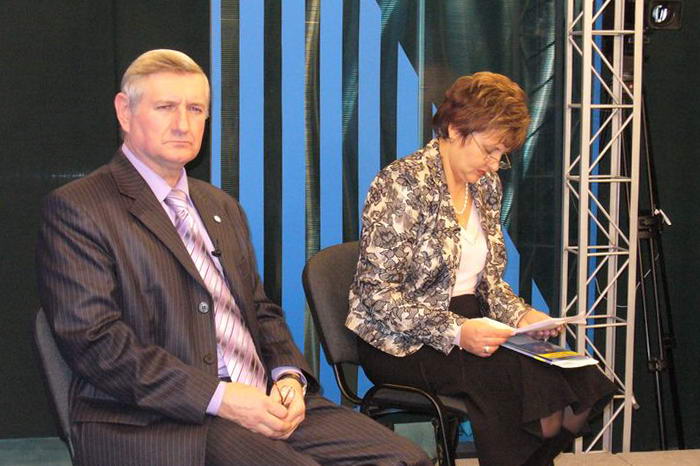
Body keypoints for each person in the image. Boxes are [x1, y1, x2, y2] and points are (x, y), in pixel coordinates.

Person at [36, 49, 431, 466]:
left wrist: (288, 376)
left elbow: (260, 310)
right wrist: (220, 397)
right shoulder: (79, 210)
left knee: (406, 459)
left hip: (262, 397)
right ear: (124, 111)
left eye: (195, 109)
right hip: (160, 419)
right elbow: (97, 344)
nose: (182, 124)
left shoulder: (219, 206)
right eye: (165, 107)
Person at [346, 72, 617, 466]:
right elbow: (378, 294)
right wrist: (457, 331)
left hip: (476, 323)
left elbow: (489, 283)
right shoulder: (402, 183)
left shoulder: (485, 186)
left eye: (502, 155)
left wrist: (523, 316)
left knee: (578, 382)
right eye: (489, 150)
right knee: (528, 393)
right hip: (400, 340)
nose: (494, 165)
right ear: (456, 130)